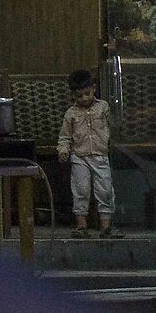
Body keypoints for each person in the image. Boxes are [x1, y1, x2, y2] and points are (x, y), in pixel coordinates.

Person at [57, 68, 117, 237]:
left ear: (94, 89)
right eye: (79, 96)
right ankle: (81, 226)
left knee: (105, 190)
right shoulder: (71, 114)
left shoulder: (103, 107)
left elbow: (113, 126)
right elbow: (65, 136)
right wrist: (63, 150)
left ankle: (106, 226)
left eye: (87, 93)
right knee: (80, 190)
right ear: (73, 96)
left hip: (100, 155)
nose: (84, 98)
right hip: (79, 157)